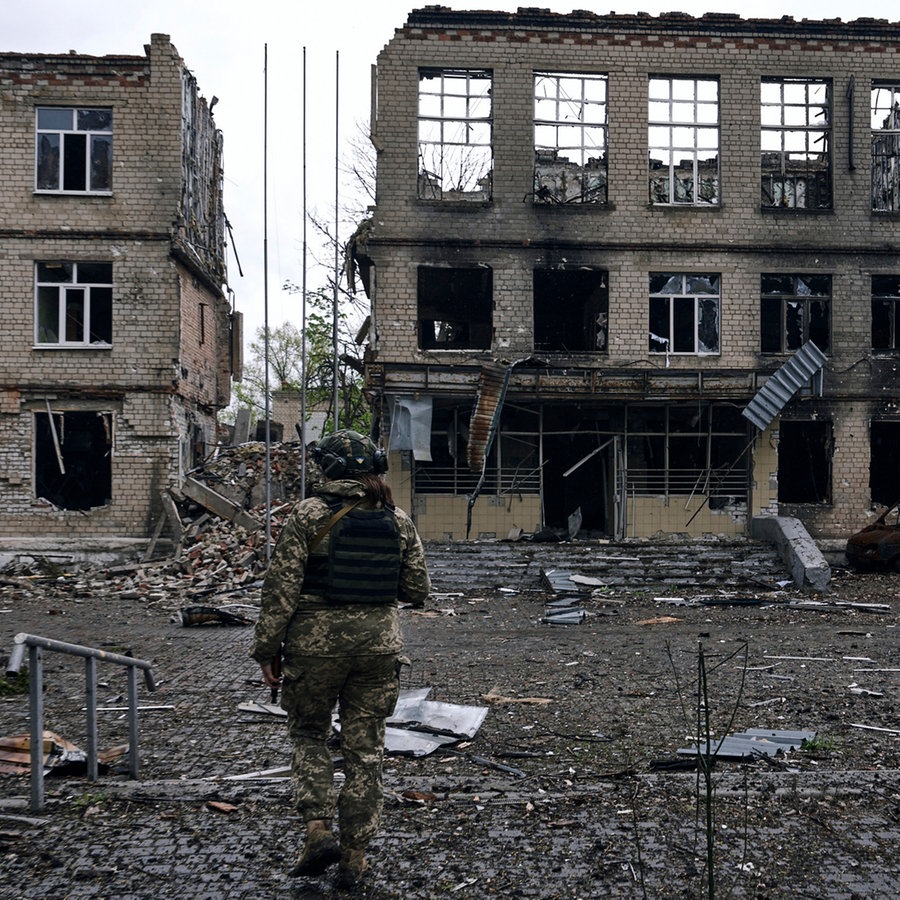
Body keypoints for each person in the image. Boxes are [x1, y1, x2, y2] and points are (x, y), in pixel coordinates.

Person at [251, 429, 430, 890]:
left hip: (315, 647)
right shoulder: (398, 519)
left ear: (325, 469)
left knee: (309, 734)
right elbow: (417, 591)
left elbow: (281, 590)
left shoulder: (308, 514)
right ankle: (354, 859)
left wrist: (266, 650)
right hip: (378, 649)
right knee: (366, 751)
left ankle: (317, 832)